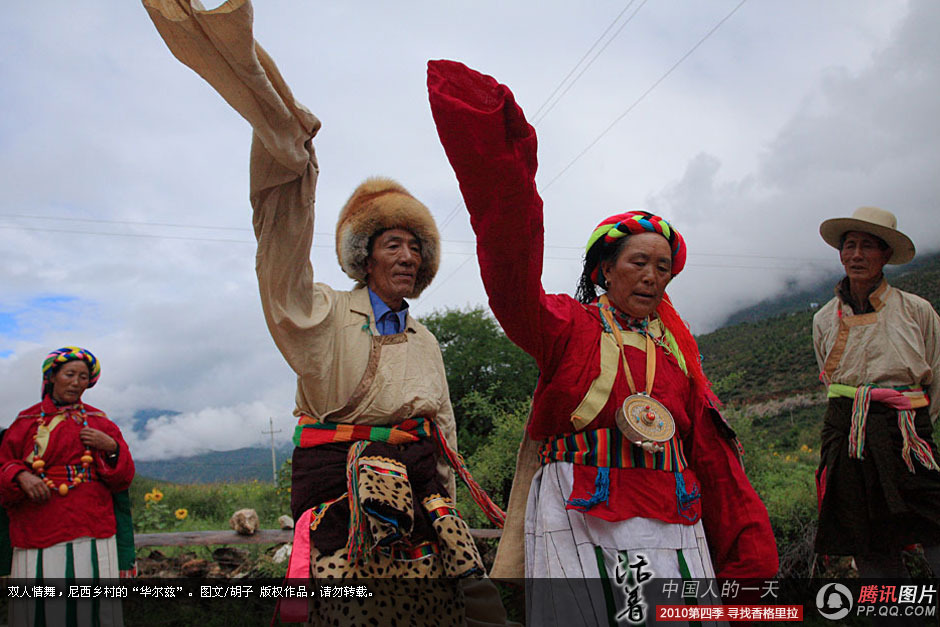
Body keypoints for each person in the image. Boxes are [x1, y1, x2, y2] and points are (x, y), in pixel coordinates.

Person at [143, 2, 509, 625]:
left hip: (421, 502)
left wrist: (444, 498)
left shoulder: (425, 340)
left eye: (416, 246)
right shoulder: (321, 317)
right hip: (344, 497)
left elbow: (442, 430)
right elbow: (280, 258)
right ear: (365, 257)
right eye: (393, 243)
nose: (408, 255)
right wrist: (294, 173)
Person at [427, 60, 778, 625]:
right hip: (580, 504)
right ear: (603, 272)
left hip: (673, 510)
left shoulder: (677, 354)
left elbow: (712, 456)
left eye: (663, 267)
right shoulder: (568, 326)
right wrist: (505, 175)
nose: (652, 276)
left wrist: (750, 555)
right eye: (638, 262)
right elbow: (511, 270)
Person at [813, 206, 940, 577]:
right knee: (863, 535)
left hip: (907, 431)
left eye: (867, 246)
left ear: (885, 255)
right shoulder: (823, 319)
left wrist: (917, 423)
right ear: (840, 254)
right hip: (847, 432)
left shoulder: (916, 311)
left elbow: (936, 372)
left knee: (934, 523)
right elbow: (829, 381)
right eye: (849, 245)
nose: (856, 255)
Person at [0, 347, 135, 627]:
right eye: (69, 374)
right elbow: (4, 464)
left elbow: (123, 478)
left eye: (83, 377)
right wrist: (22, 477)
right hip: (40, 523)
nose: (76, 382)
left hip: (93, 524)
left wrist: (111, 447)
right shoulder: (25, 422)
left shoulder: (100, 422)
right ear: (52, 377)